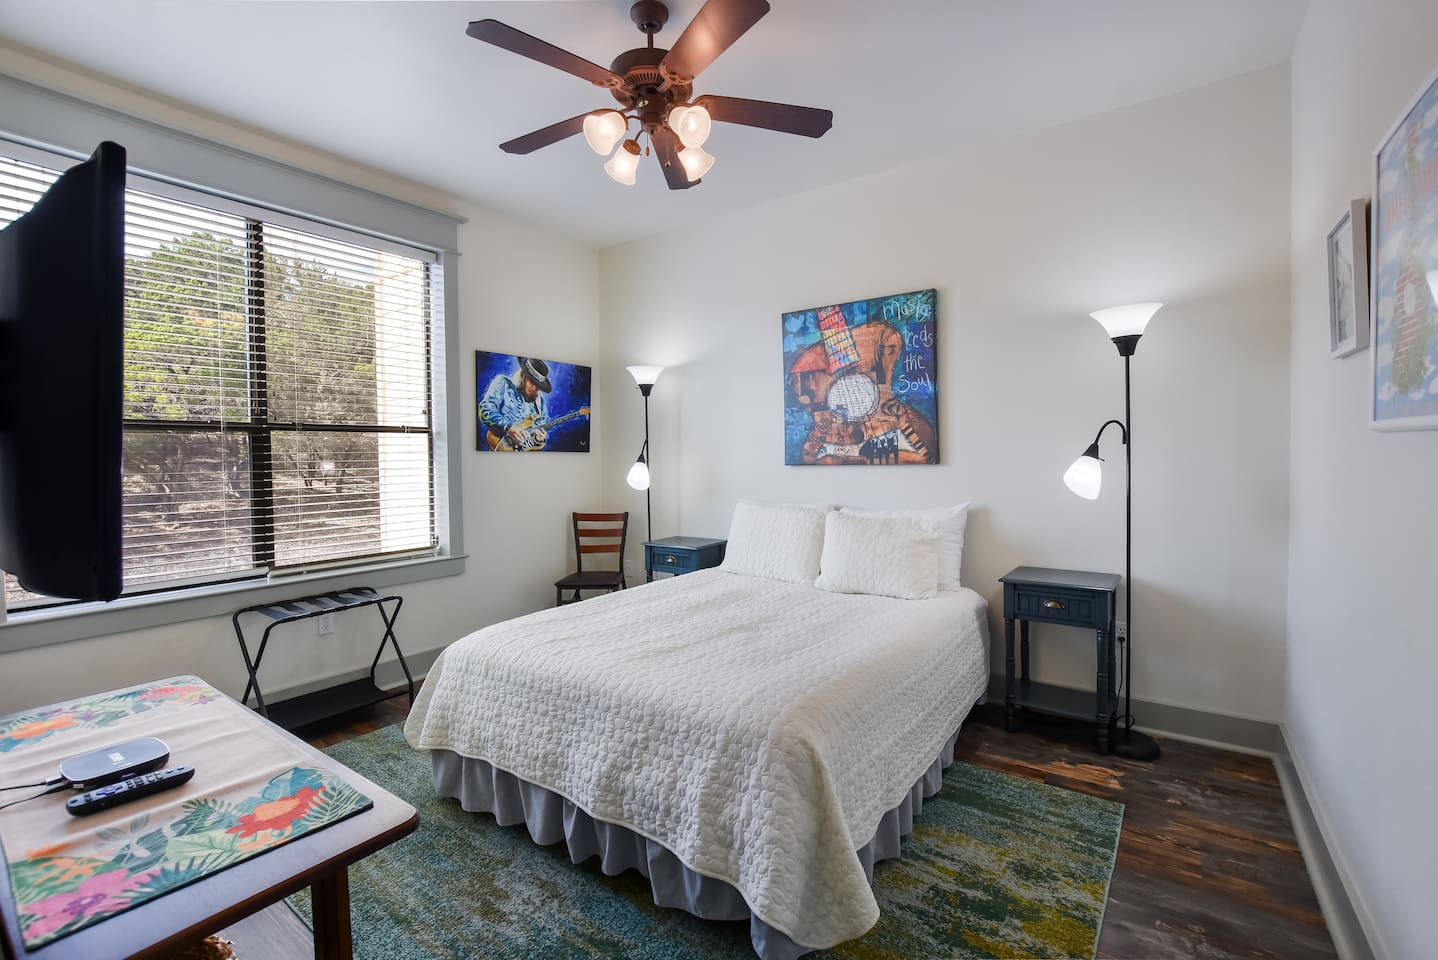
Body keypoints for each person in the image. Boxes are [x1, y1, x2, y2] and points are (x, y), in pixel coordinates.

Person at [480, 356, 552, 450]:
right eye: (532, 382)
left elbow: (534, 441)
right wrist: (508, 427)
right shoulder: (503, 383)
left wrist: (538, 440)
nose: (535, 388)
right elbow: (485, 409)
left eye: (538, 385)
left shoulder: (541, 403)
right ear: (523, 376)